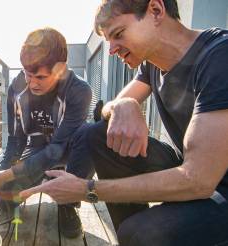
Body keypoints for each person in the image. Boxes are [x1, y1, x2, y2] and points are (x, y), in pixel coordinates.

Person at [20, 1, 228, 245]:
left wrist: (87, 189)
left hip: (211, 184)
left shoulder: (219, 57)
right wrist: (124, 105)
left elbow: (199, 180)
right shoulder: (152, 65)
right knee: (94, 135)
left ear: (156, 10)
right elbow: (109, 110)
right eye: (108, 40)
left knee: (139, 234)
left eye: (118, 34)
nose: (111, 50)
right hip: (190, 167)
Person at [0, 27, 93, 238]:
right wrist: (2, 178)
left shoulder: (79, 90)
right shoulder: (16, 88)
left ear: (60, 70)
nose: (32, 83)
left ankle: (68, 203)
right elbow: (15, 139)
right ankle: (45, 177)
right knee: (2, 199)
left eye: (40, 77)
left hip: (68, 150)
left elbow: (57, 150)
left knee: (89, 134)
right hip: (38, 148)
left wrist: (6, 174)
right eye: (27, 74)